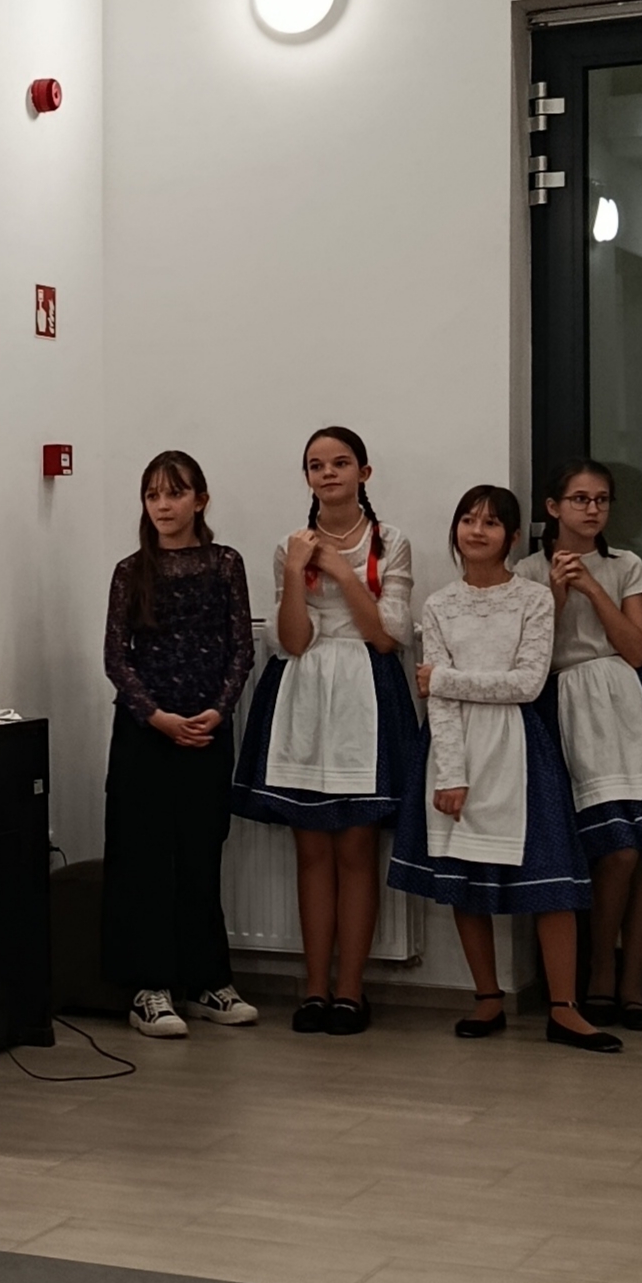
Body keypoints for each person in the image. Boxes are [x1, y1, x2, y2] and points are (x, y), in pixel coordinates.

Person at [389, 484, 614, 1051]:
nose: (477, 531)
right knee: (466, 878)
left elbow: (527, 683)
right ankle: (487, 996)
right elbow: (438, 705)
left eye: (491, 523)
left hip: (519, 746)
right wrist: (450, 773)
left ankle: (564, 1008)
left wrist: (444, 678)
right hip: (455, 748)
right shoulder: (439, 604)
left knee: (551, 882)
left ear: (512, 537)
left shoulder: (534, 599)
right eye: (468, 520)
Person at [232, 425, 415, 1035]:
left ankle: (351, 991)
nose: (328, 473)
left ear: (364, 472)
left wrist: (340, 571)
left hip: (367, 690)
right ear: (307, 477)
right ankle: (313, 989)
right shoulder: (291, 546)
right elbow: (291, 639)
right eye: (316, 465)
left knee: (357, 848)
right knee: (310, 849)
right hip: (304, 693)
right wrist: (295, 571)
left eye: (340, 463)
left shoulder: (391, 541)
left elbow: (387, 635)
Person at [516, 460, 642, 1032]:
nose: (592, 509)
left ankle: (632, 984)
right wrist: (558, 594)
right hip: (566, 703)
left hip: (628, 704)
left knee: (641, 853)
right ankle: (598, 971)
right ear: (553, 507)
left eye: (602, 500)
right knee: (613, 849)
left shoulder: (624, 564)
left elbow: (637, 649)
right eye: (580, 499)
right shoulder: (527, 569)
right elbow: (531, 655)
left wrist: (591, 585)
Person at [102, 449, 257, 1038]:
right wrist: (158, 717)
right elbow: (116, 659)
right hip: (146, 734)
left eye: (175, 493)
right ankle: (150, 988)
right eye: (153, 495)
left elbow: (241, 648)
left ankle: (208, 982)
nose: (163, 506)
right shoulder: (130, 571)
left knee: (200, 856)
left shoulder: (225, 563)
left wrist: (219, 710)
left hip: (207, 730)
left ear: (200, 500)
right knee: (145, 860)